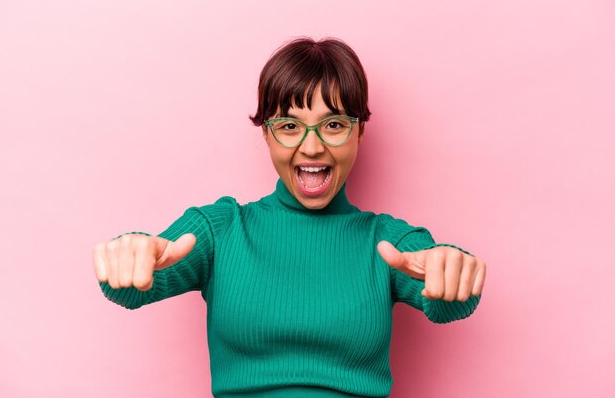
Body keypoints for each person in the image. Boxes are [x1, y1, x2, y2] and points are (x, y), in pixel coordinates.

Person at [93, 36, 486, 398]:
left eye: (333, 125)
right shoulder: (220, 230)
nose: (311, 147)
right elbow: (133, 287)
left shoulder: (385, 242)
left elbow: (446, 301)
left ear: (359, 131)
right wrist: (129, 257)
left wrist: (450, 270)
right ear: (266, 133)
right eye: (288, 126)